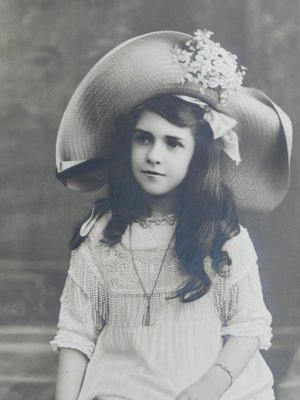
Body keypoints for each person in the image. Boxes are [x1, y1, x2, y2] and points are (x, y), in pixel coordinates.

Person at [51, 29, 293, 400]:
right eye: (144, 138)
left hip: (208, 384)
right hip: (123, 385)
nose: (154, 156)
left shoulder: (221, 232)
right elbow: (76, 333)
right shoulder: (101, 234)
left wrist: (211, 385)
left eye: (173, 143)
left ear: (196, 156)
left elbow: (249, 324)